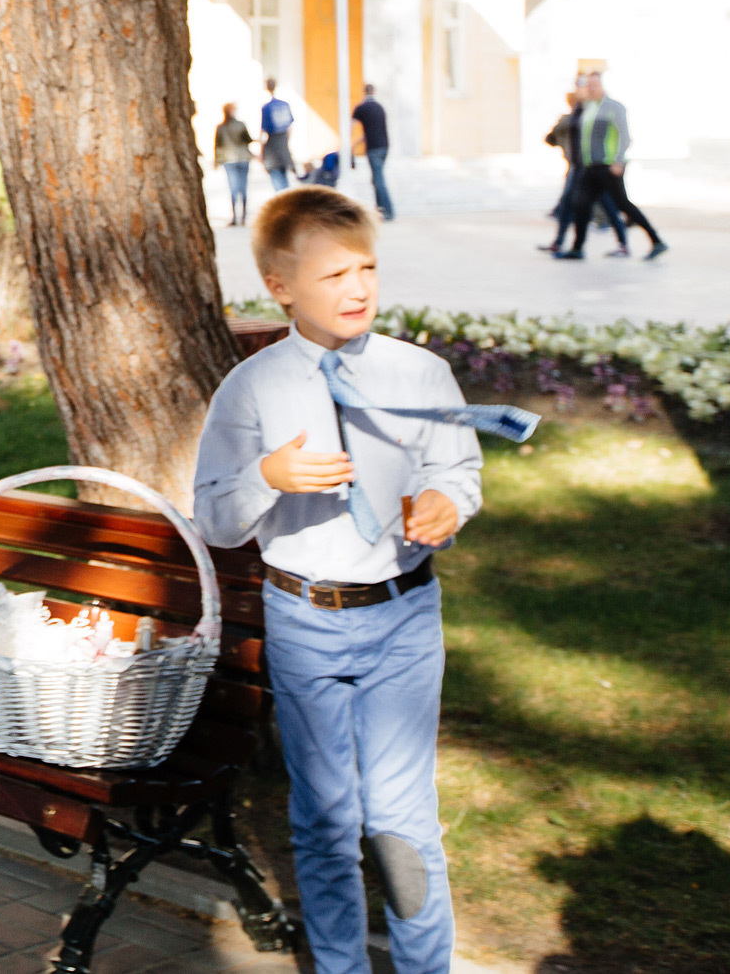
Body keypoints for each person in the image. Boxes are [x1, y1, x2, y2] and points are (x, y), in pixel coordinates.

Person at [193, 187, 527, 974]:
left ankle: (424, 966)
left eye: (367, 269)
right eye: (334, 274)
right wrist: (269, 475)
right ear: (280, 286)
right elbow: (215, 518)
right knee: (324, 817)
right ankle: (341, 965)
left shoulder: (419, 373)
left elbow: (458, 469)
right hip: (305, 619)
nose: (357, 288)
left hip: (404, 618)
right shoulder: (253, 389)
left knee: (404, 816)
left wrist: (448, 503)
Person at [559, 72, 670, 261]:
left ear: (603, 85)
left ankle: (657, 241)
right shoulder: (588, 107)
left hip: (608, 166)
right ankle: (577, 248)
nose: (591, 88)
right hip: (590, 166)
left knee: (623, 204)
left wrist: (618, 160)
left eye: (595, 85)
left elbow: (625, 136)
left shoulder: (613, 107)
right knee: (581, 204)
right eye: (589, 85)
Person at [351, 84, 396, 222]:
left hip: (373, 148)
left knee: (378, 180)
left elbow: (350, 127)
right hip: (384, 146)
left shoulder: (361, 108)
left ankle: (387, 212)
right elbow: (376, 130)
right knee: (377, 179)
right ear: (374, 92)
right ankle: (380, 210)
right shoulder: (380, 107)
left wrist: (349, 145)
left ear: (364, 92)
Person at [214, 102, 255, 226]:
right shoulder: (240, 125)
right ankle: (243, 216)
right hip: (242, 158)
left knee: (233, 188)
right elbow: (247, 140)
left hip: (229, 159)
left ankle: (235, 217)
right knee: (242, 188)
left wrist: (216, 161)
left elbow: (217, 145)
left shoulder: (221, 127)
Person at [258, 78, 297, 195]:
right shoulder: (284, 105)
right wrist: (285, 141)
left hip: (272, 147)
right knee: (285, 179)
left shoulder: (266, 107)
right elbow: (290, 126)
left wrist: (261, 152)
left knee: (277, 180)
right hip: (283, 145)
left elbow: (263, 131)